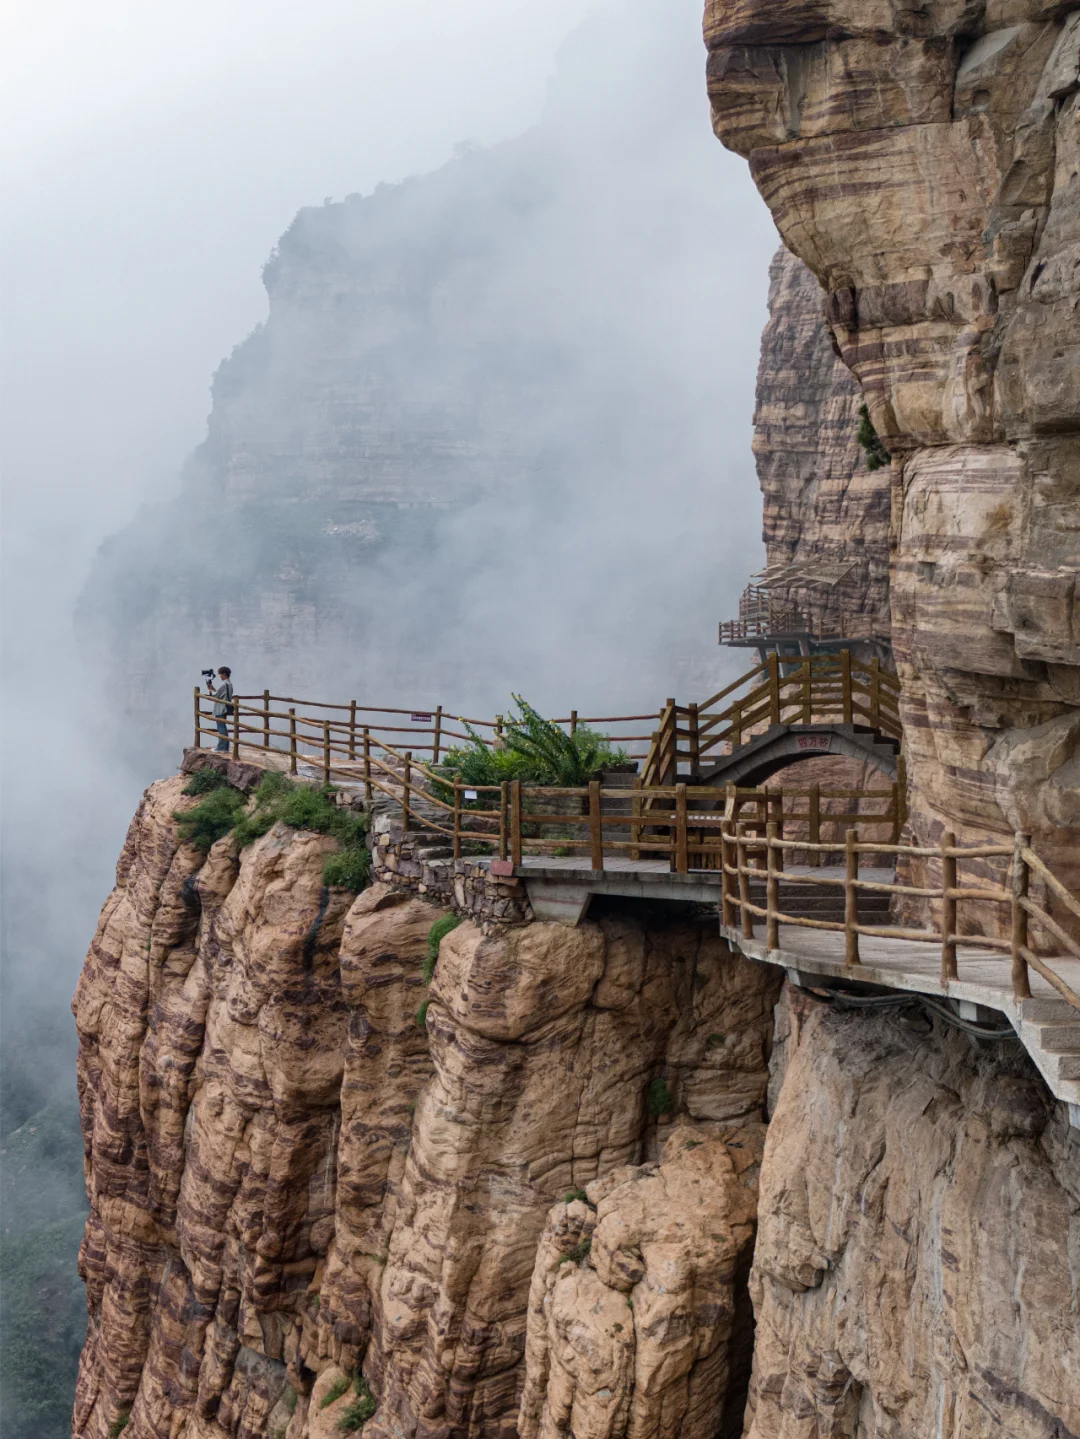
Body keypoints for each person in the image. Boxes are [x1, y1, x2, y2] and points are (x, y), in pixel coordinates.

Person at [209, 666, 235, 751]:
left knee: (221, 728)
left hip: (220, 708)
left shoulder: (223, 684)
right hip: (226, 707)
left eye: (220, 674)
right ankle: (225, 747)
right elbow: (222, 694)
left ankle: (221, 747)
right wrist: (213, 689)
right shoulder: (229, 684)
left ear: (224, 674)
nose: (220, 676)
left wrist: (211, 690)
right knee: (223, 727)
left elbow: (216, 695)